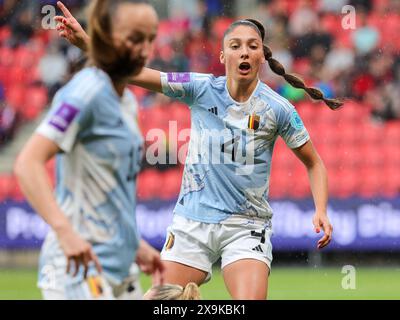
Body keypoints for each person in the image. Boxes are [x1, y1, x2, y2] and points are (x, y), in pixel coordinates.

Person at [56, 4, 338, 299]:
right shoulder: (200, 88)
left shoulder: (279, 109)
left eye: (252, 46)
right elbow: (137, 74)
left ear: (261, 57)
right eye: (235, 46)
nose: (244, 52)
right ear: (222, 56)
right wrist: (87, 44)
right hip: (192, 222)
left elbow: (314, 163)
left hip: (246, 225)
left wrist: (321, 209)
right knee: (158, 300)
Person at [14, 0, 164, 300]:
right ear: (105, 36)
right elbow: (27, 163)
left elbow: (111, 187)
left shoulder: (128, 102)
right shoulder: (87, 91)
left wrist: (134, 244)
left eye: (150, 39)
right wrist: (65, 233)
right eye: (135, 38)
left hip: (120, 269)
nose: (145, 49)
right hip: (79, 269)